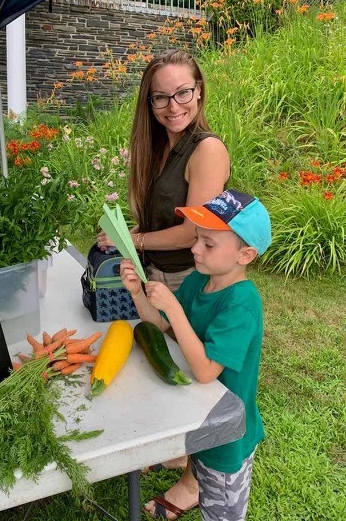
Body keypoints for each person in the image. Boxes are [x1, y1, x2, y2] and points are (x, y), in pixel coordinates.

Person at [120, 188, 272, 521]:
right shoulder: (197, 280)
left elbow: (205, 370)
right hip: (198, 416)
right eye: (197, 238)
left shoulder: (241, 304)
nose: (194, 248)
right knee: (200, 472)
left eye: (208, 244)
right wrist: (137, 295)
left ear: (244, 255)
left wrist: (172, 307)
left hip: (227, 433)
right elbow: (164, 328)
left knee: (221, 512)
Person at [97, 49, 230, 292]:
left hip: (186, 279)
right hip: (151, 271)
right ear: (149, 102)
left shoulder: (207, 150)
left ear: (199, 90)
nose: (173, 106)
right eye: (161, 97)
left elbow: (192, 233)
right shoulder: (158, 148)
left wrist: (129, 241)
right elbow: (162, 220)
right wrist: (126, 234)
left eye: (183, 92)